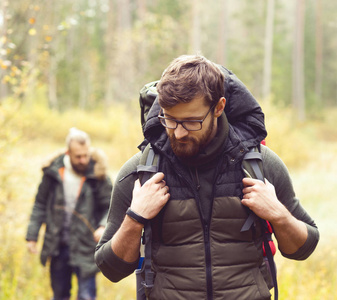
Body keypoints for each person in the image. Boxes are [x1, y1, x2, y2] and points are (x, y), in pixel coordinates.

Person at [95, 55, 319, 299]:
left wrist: (278, 214)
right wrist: (135, 218)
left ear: (219, 107)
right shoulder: (141, 172)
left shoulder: (261, 164)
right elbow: (111, 269)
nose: (178, 133)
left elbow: (303, 249)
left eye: (191, 121)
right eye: (169, 119)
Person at [26, 127, 112, 300]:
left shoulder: (98, 174)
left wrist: (103, 226)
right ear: (68, 153)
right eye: (78, 156)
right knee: (59, 295)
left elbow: (110, 206)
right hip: (58, 246)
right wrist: (32, 236)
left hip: (86, 247)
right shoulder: (53, 173)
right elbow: (40, 204)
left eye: (86, 155)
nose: (83, 160)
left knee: (86, 296)